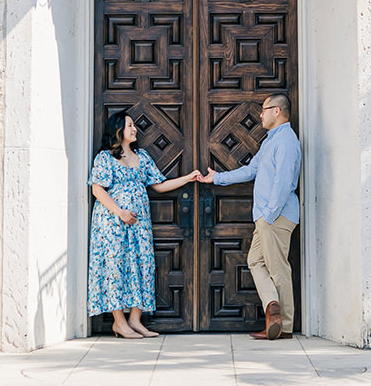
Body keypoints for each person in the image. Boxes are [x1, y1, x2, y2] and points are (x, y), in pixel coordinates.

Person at [191, 92, 300, 340]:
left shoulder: (286, 142)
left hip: (276, 216)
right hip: (267, 217)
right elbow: (251, 170)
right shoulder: (270, 141)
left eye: (264, 109)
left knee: (278, 268)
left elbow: (283, 183)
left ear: (277, 111)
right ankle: (273, 306)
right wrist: (216, 178)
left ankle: (284, 326)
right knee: (256, 261)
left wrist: (269, 215)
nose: (260, 114)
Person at [89, 111, 197, 339]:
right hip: (112, 223)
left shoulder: (143, 156)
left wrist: (188, 178)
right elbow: (97, 189)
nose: (134, 129)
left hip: (139, 224)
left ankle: (135, 320)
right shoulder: (105, 158)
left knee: (143, 265)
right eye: (129, 125)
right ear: (118, 129)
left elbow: (159, 185)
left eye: (134, 125)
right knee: (114, 268)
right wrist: (120, 212)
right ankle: (119, 322)